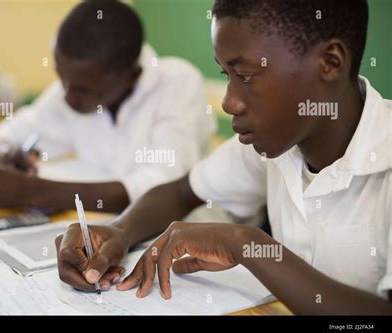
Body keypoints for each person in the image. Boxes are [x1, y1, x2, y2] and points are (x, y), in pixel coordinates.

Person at [55, 0, 392, 314]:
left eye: (244, 76)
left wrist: (246, 244)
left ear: (330, 63)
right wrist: (119, 230)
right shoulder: (274, 145)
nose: (229, 102)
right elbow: (182, 192)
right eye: (225, 75)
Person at [0, 0, 215, 213]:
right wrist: (4, 155)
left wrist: (30, 191)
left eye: (83, 89)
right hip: (101, 222)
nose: (67, 97)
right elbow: (9, 133)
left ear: (131, 75)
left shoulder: (176, 82)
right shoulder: (75, 87)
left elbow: (166, 185)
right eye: (61, 79)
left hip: (188, 227)